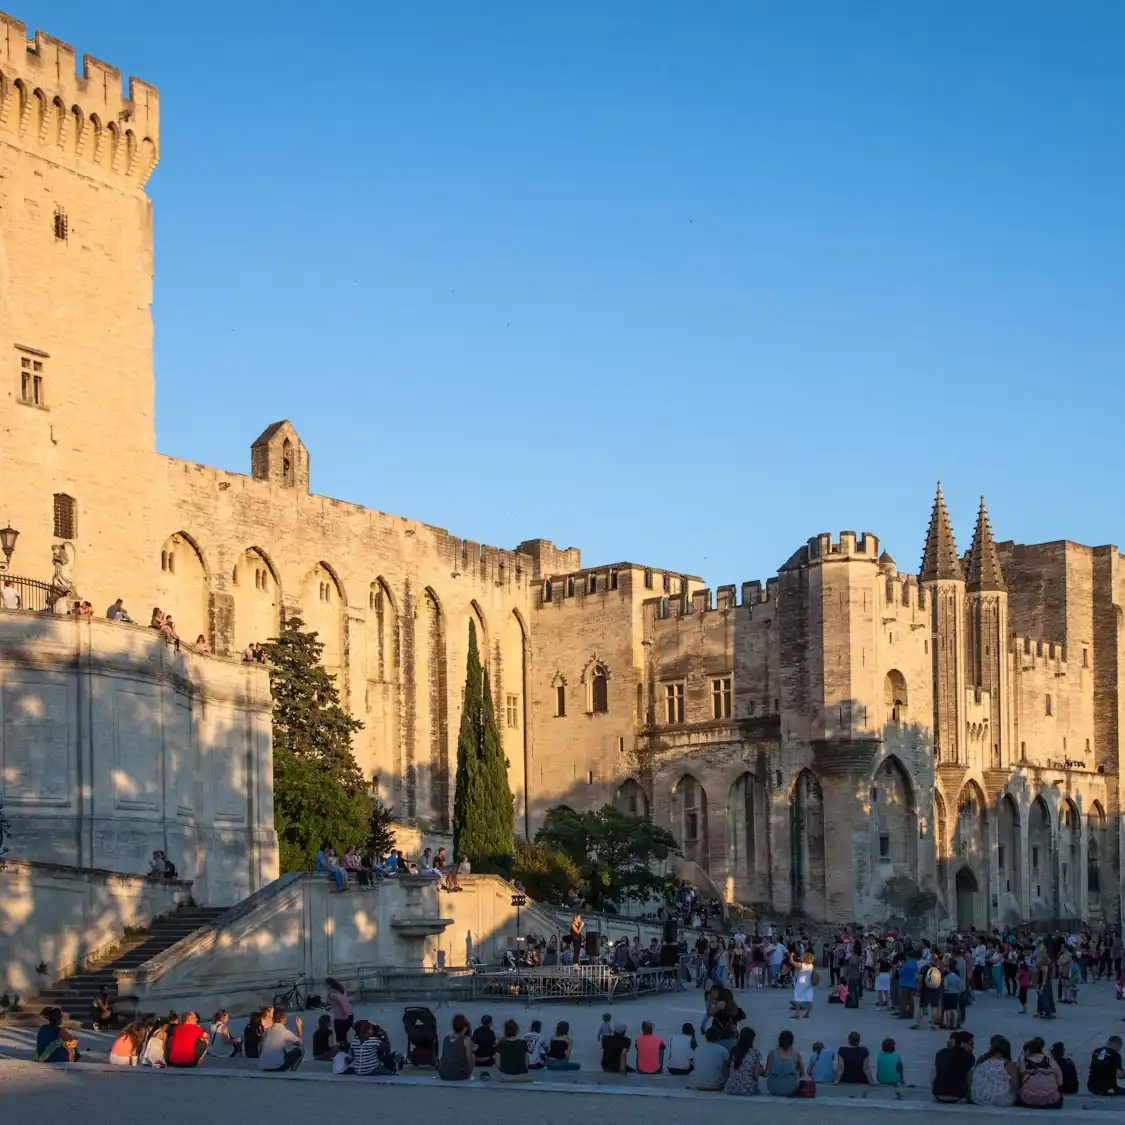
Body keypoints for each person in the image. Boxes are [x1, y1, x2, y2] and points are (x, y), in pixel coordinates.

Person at [970, 1035, 1018, 1107]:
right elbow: (1016, 1086)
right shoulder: (1009, 1065)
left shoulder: (982, 1062)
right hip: (1002, 1101)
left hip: (977, 1099)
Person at [1017, 1036, 1063, 1109]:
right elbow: (1060, 1083)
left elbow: (1018, 1083)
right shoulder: (1051, 1061)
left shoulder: (1023, 1062)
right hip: (1051, 1101)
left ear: (1028, 1051)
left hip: (1028, 1100)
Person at [932, 1030, 975, 1104]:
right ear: (963, 1044)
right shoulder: (969, 1057)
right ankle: (968, 1096)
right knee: (970, 1072)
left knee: (934, 1070)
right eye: (971, 1044)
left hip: (938, 1095)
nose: (973, 1047)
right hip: (958, 1096)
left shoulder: (941, 1053)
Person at [259, 1007, 304, 1072]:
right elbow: (300, 1043)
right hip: (277, 1067)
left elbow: (260, 1046)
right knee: (301, 1050)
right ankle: (293, 1071)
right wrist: (299, 1027)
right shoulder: (284, 1031)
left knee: (282, 1049)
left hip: (263, 1066)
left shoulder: (267, 1031)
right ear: (282, 1019)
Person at [764, 1028, 803, 1097]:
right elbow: (802, 1074)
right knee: (797, 1070)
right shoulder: (796, 1054)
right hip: (790, 1089)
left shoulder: (772, 1053)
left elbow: (767, 1073)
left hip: (773, 1088)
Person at [438, 1013, 475, 1081]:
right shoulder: (466, 1040)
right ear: (465, 1028)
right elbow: (469, 1060)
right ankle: (469, 1075)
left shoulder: (446, 1038)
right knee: (472, 1055)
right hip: (458, 1074)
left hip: (443, 1073)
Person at [725, 1027, 762, 1096]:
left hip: (731, 1087)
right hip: (747, 1089)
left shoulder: (733, 1051)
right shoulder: (755, 1053)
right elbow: (756, 1075)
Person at [693, 1025, 731, 1091]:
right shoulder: (723, 1050)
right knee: (727, 1066)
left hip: (699, 1085)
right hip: (716, 1086)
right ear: (718, 1037)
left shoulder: (698, 1049)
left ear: (706, 1037)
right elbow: (728, 1066)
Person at [326, 977, 354, 1047]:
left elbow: (342, 1002)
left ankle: (345, 1049)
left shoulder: (333, 994)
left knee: (340, 1038)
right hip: (349, 1015)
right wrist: (331, 1007)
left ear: (329, 985)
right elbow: (342, 1001)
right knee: (342, 1037)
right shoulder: (340, 990)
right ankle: (346, 1049)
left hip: (342, 1017)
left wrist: (345, 1013)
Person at [791, 950, 816, 1019]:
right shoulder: (811, 965)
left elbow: (792, 962)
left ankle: (797, 1014)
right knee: (809, 998)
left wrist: (791, 955)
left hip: (801, 983)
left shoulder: (802, 965)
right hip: (809, 983)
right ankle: (807, 1013)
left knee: (797, 998)